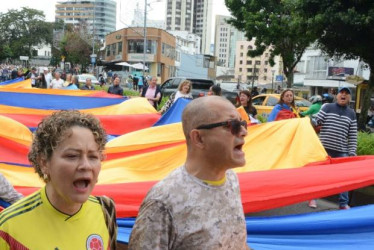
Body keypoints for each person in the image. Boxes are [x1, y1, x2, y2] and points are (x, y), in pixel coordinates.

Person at [129, 96, 249, 249]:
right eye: (232, 125)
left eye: (243, 123)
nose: (243, 131)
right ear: (198, 138)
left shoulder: (231, 180)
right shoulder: (163, 201)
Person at [0, 110, 117, 249]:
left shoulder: (105, 211)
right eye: (72, 156)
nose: (86, 165)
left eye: (93, 157)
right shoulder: (8, 228)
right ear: (44, 163)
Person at [309, 87, 357, 210]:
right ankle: (312, 198)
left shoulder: (351, 113)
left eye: (347, 94)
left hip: (342, 151)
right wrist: (312, 120)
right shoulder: (327, 107)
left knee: (344, 177)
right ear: (337, 95)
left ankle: (343, 203)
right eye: (342, 93)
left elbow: (352, 135)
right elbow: (317, 120)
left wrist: (352, 152)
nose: (344, 95)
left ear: (349, 98)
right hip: (324, 148)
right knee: (318, 175)